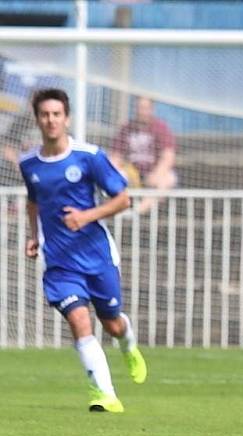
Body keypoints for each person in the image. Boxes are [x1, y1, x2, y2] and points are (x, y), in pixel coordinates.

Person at [19, 88, 147, 413]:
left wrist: (86, 216)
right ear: (38, 119)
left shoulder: (89, 156)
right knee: (79, 319)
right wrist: (35, 236)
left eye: (56, 114)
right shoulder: (29, 163)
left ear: (67, 118)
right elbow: (34, 201)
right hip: (60, 264)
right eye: (45, 115)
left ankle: (128, 344)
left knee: (112, 323)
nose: (51, 120)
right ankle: (104, 394)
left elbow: (123, 198)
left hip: (97, 257)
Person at [110, 96, 177, 214]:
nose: (142, 111)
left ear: (152, 109)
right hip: (132, 175)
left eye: (146, 108)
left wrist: (157, 174)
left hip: (152, 174)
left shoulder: (161, 128)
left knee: (169, 178)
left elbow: (168, 156)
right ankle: (115, 210)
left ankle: (137, 212)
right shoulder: (126, 128)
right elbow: (116, 156)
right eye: (140, 108)